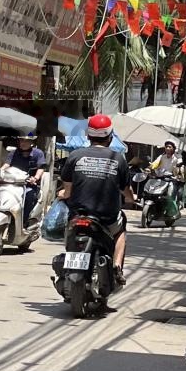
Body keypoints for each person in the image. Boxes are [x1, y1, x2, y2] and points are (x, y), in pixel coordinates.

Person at [57, 111, 128, 285]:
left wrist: (62, 195)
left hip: (78, 214)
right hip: (107, 216)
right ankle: (117, 266)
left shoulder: (75, 156)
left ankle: (69, 260)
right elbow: (126, 191)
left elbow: (67, 191)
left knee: (70, 230)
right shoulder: (118, 159)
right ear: (110, 137)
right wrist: (133, 199)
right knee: (120, 231)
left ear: (88, 136)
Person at [1, 127, 46, 222]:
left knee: (29, 196)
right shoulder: (13, 153)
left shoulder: (38, 153)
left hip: (29, 185)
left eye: (26, 141)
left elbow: (41, 168)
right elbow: (6, 164)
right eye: (21, 140)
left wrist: (35, 178)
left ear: (32, 142)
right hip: (13, 185)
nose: (23, 143)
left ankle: (24, 221)